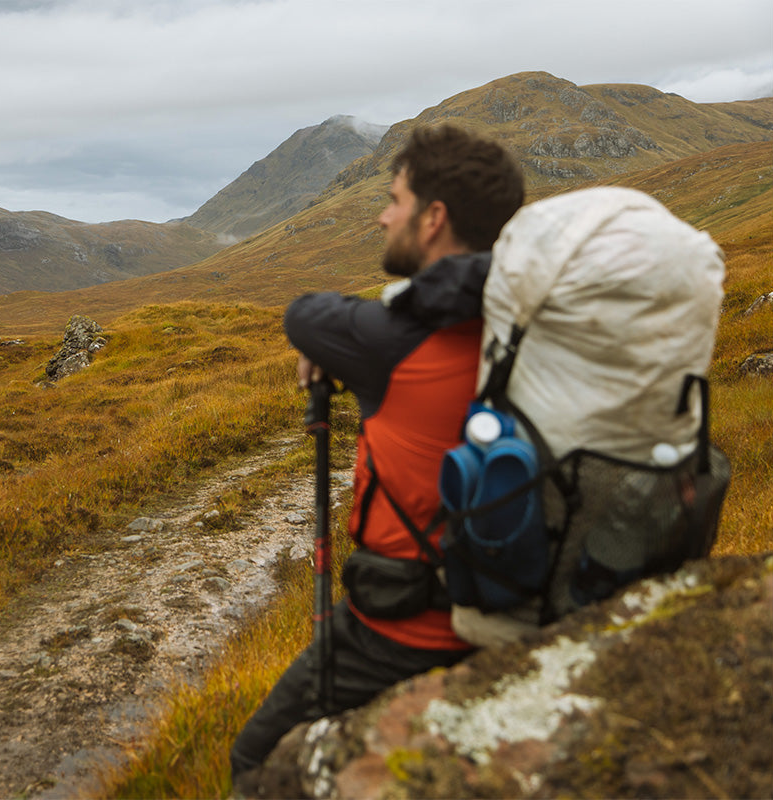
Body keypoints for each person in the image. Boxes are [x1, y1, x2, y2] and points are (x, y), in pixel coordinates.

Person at [230, 124, 525, 779]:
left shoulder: (393, 341)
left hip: (401, 633)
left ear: (433, 218)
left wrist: (379, 327)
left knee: (253, 760)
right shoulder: (538, 321)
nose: (382, 214)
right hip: (522, 613)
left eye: (394, 199)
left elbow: (304, 315)